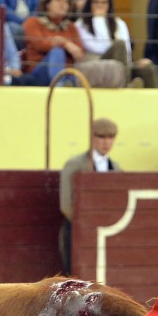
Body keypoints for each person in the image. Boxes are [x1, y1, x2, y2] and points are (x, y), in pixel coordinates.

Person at [59, 117, 119, 274]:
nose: (106, 142)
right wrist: (87, 226)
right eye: (101, 137)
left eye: (111, 137)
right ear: (92, 137)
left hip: (106, 234)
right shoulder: (75, 164)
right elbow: (66, 205)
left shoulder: (116, 167)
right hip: (78, 231)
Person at [76, 0, 156, 88]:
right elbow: (102, 48)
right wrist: (99, 19)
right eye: (96, 2)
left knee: (146, 66)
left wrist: (133, 65)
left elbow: (127, 50)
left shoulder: (119, 23)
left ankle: (156, 101)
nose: (100, 5)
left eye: (104, 2)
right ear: (89, 4)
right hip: (99, 67)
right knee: (119, 44)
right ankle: (126, 84)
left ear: (109, 5)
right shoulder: (80, 25)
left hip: (122, 66)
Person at [22, 0, 84, 86]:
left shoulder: (71, 27)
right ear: (47, 4)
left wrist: (62, 42)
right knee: (57, 52)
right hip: (39, 73)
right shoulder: (33, 22)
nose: (63, 4)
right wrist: (66, 44)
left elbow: (79, 54)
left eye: (66, 2)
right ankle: (59, 87)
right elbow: (41, 45)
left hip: (67, 73)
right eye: (58, 0)